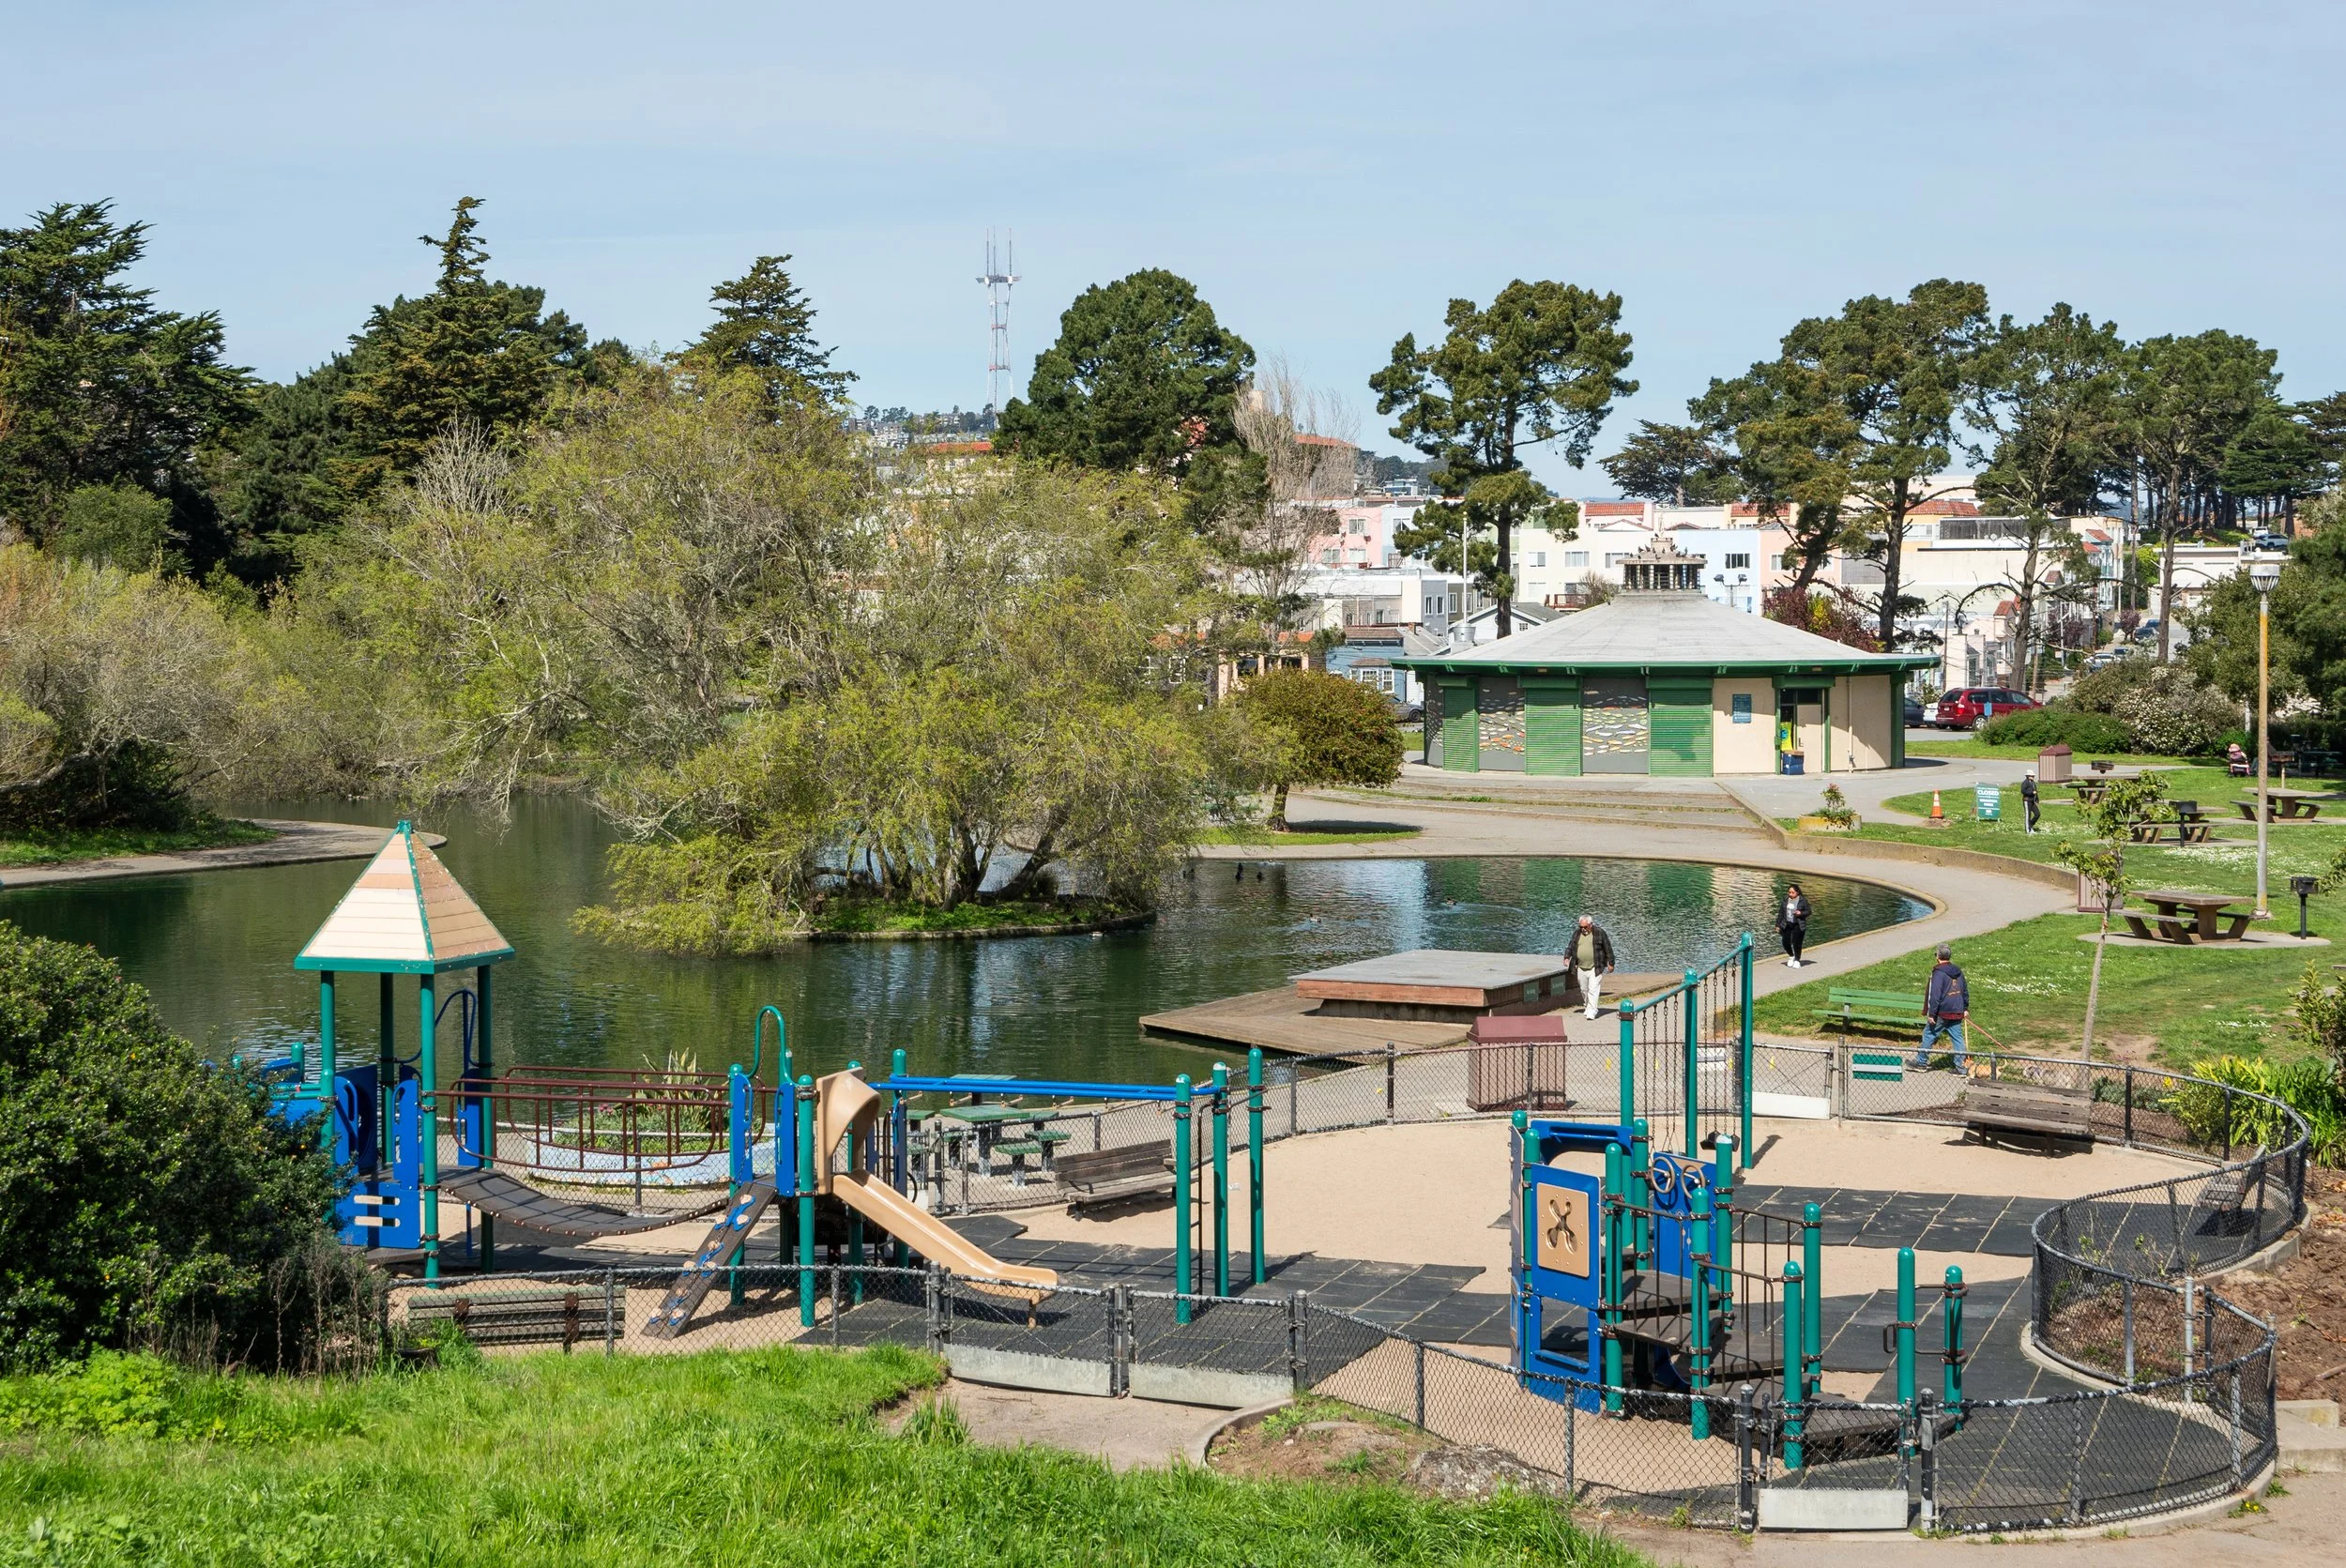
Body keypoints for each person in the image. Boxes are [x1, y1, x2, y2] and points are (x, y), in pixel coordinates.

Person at [1914, 943, 1970, 1070]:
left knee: (1929, 1034)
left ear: (1938, 956)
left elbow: (1935, 995)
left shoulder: (1938, 973)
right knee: (1957, 1039)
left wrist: (1932, 1014)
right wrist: (1965, 1008)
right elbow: (1964, 991)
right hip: (1957, 1011)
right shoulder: (1958, 971)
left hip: (1942, 1012)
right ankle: (1961, 1067)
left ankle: (1921, 1062)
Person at [1570, 914, 1616, 1021]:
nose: (1583, 929)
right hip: (1581, 966)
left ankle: (1593, 1010)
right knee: (1583, 989)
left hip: (1596, 966)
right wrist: (1567, 957)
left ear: (1591, 925)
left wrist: (1611, 963)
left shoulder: (1600, 933)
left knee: (1593, 989)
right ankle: (1587, 1006)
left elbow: (1608, 948)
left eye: (1585, 927)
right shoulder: (1577, 933)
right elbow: (1571, 945)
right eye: (1581, 927)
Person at [1776, 883, 1812, 967]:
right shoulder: (1785, 900)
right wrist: (1778, 924)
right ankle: (1791, 956)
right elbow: (1781, 912)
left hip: (1798, 925)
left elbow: (1809, 911)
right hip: (1787, 924)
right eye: (1789, 892)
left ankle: (1797, 960)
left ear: (1797, 893)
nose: (1790, 894)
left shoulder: (1802, 900)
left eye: (1792, 893)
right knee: (1785, 942)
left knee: (1797, 943)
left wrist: (1801, 913)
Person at [2021, 771, 2040, 835]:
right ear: (2028, 776)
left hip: (2032, 801)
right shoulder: (2025, 783)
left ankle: (2030, 825)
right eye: (2031, 776)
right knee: (2028, 815)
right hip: (2027, 800)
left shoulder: (2033, 783)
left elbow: (2035, 791)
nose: (2033, 777)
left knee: (2037, 814)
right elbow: (2023, 791)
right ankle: (2028, 830)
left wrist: (2037, 799)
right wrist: (2031, 793)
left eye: (2033, 776)